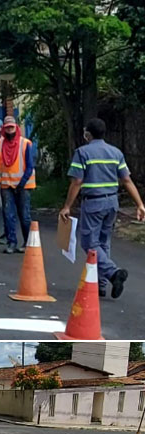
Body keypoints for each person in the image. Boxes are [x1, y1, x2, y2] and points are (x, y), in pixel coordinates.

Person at [60, 118, 145, 299]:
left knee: (89, 244)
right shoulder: (116, 153)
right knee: (103, 242)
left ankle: (114, 273)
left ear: (88, 134)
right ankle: (101, 285)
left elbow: (77, 181)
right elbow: (127, 180)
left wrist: (67, 206)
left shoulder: (82, 153)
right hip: (112, 203)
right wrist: (140, 204)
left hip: (93, 203)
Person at [0, 115, 35, 254]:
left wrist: (22, 183)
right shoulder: (0, 143)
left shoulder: (25, 144)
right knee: (8, 215)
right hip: (6, 185)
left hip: (23, 186)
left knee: (24, 216)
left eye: (12, 128)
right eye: (7, 129)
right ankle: (11, 242)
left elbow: (30, 166)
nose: (10, 131)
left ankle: (28, 242)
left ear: (16, 128)